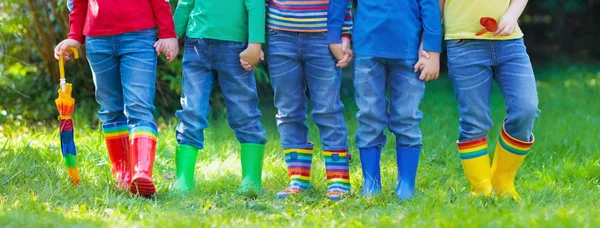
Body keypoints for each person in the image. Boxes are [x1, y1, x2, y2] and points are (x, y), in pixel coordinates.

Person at [55, 0, 179, 198]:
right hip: (97, 41)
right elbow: (78, 4)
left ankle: (141, 174)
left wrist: (168, 34)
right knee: (110, 109)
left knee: (140, 107)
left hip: (139, 37)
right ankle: (124, 177)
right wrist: (74, 37)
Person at [328, 0, 442, 200]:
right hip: (368, 50)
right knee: (369, 116)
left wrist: (432, 49)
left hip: (410, 50)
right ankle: (371, 184)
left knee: (407, 118)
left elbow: (430, 4)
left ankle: (406, 185)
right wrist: (333, 37)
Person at [441, 0, 540, 199]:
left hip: (510, 43)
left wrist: (512, 15)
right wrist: (429, 45)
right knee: (474, 119)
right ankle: (480, 190)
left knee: (526, 109)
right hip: (463, 45)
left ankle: (502, 180)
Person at [257, 0, 354, 200]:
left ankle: (338, 179)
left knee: (328, 109)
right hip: (279, 36)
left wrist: (344, 36)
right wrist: (256, 40)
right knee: (288, 110)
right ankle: (298, 178)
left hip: (324, 37)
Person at [171, 0, 268, 195]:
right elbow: (185, 3)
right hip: (197, 44)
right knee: (192, 110)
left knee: (244, 111)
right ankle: (183, 179)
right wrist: (171, 35)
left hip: (235, 47)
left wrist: (255, 44)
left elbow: (256, 5)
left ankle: (251, 180)